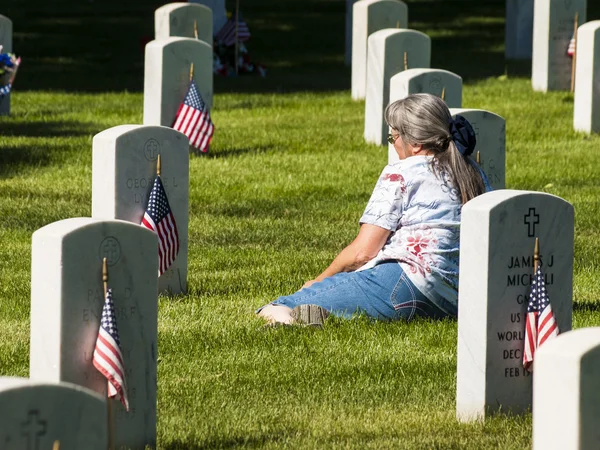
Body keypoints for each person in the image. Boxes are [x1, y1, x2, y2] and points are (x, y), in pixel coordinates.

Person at [257, 93, 491, 326]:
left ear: (416, 143)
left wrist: (318, 281)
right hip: (457, 298)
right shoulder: (473, 172)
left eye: (394, 137)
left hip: (405, 285)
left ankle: (289, 322)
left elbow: (363, 253)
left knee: (277, 306)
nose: (395, 144)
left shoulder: (401, 172)